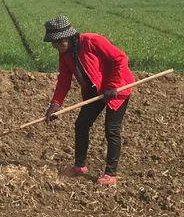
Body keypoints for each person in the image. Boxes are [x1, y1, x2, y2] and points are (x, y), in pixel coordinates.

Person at [43, 15, 134, 186]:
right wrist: (55, 104)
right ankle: (80, 166)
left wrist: (113, 86)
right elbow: (64, 81)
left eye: (54, 42)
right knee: (82, 124)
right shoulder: (65, 54)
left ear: (64, 39)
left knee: (112, 129)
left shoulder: (92, 41)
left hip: (117, 88)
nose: (53, 46)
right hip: (95, 91)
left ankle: (111, 174)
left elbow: (120, 58)